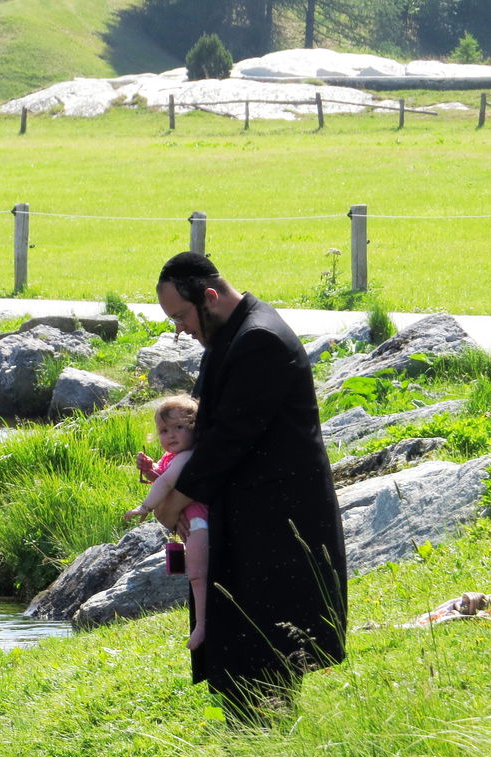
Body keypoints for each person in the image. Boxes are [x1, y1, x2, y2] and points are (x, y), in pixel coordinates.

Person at [151, 252, 347, 724]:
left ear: (209, 297)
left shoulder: (259, 339)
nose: (179, 329)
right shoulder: (233, 334)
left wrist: (175, 501)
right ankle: (254, 749)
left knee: (263, 655)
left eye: (181, 316)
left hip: (276, 526)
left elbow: (230, 439)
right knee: (239, 655)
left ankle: (265, 752)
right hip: (250, 520)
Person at [124, 395, 210, 651]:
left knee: (198, 575)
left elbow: (166, 482)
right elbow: (162, 477)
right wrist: (150, 470)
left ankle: (202, 626)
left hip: (199, 522)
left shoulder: (186, 456)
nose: (170, 435)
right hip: (191, 521)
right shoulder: (172, 456)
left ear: (195, 428)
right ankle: (201, 623)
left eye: (179, 427)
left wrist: (145, 507)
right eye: (164, 430)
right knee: (195, 574)